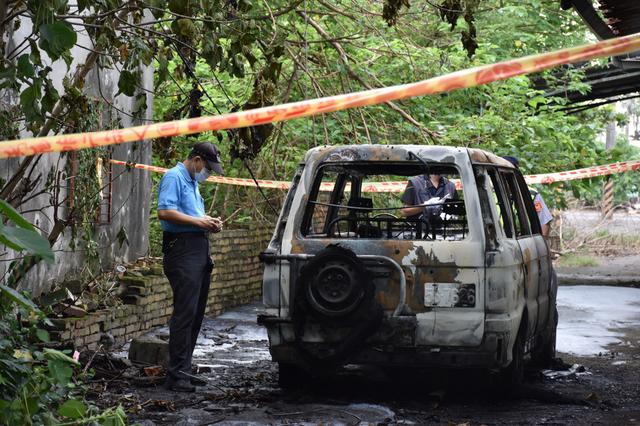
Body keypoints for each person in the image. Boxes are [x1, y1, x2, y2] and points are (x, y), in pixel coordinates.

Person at [157, 142, 225, 392]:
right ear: (196, 160)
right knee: (184, 313)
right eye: (207, 167)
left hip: (198, 249)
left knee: (196, 313)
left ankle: (183, 369)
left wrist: (210, 223)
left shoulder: (193, 183)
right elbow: (165, 212)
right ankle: (176, 375)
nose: (207, 173)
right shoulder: (173, 177)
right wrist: (199, 221)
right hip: (182, 251)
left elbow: (193, 217)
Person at [502, 156, 552, 237]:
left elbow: (544, 222)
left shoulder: (531, 194)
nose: (505, 177)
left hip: (525, 241)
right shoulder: (488, 191)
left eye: (507, 174)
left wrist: (541, 245)